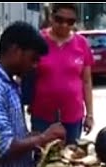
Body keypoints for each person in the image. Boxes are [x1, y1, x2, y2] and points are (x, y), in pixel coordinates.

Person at [0, 21, 66, 167]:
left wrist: (37, 138)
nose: (35, 65)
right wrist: (43, 138)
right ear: (15, 51)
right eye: (33, 58)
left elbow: (13, 136)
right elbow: (1, 146)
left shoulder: (9, 84)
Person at [27, 3, 95, 145]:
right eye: (59, 19)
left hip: (72, 116)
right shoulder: (38, 41)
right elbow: (26, 74)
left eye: (70, 22)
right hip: (42, 115)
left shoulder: (81, 44)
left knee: (70, 158)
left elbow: (87, 82)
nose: (64, 25)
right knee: (43, 159)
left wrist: (89, 115)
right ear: (52, 17)